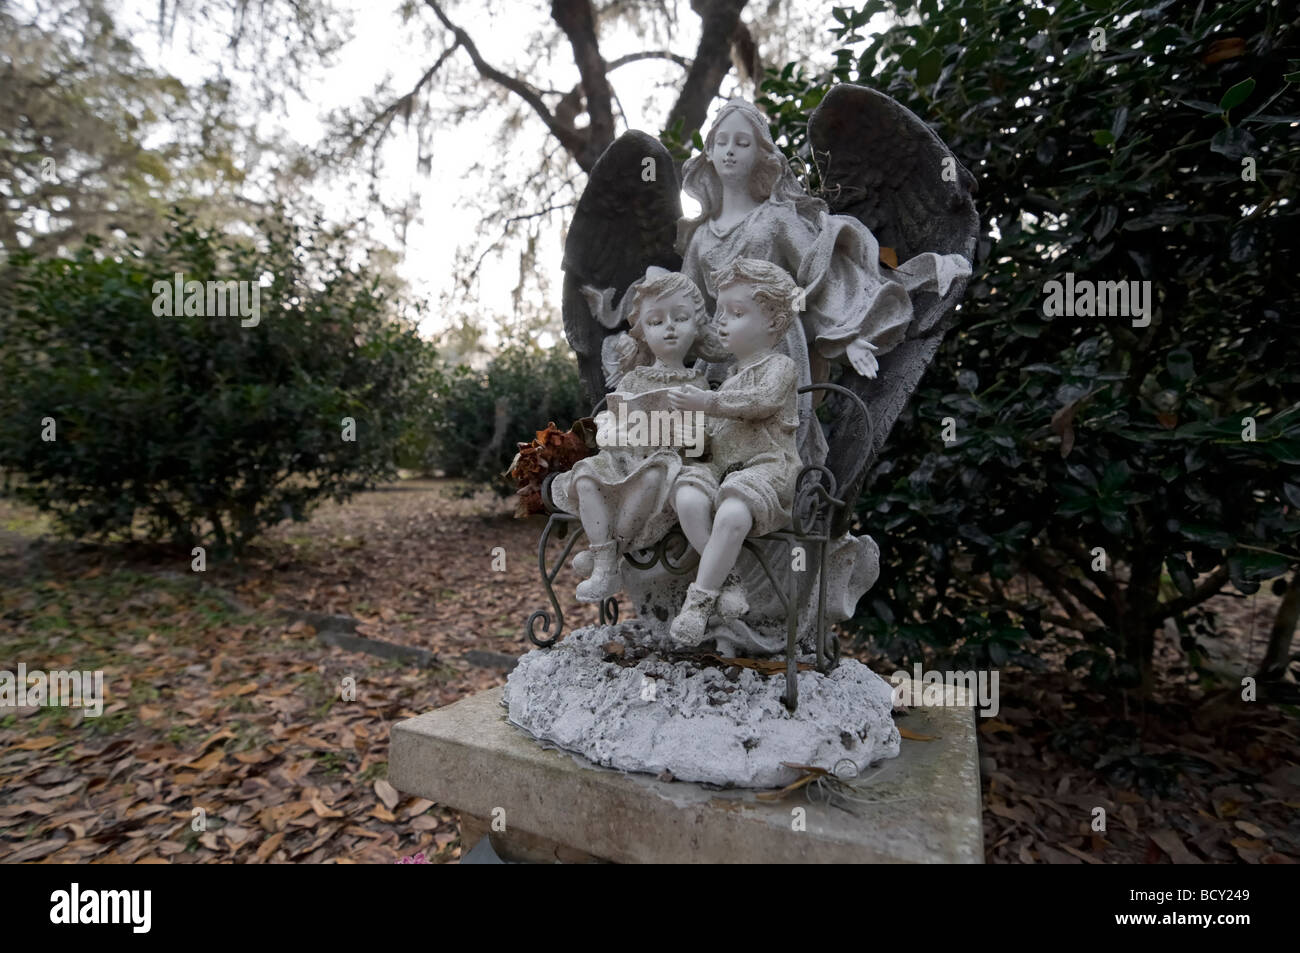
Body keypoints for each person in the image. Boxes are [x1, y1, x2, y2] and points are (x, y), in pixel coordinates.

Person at [550, 267, 716, 602]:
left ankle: (605, 558)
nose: (669, 328)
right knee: (584, 477)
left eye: (680, 318)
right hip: (623, 460)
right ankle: (605, 558)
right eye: (656, 322)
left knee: (656, 474)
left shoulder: (696, 386)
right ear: (642, 332)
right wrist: (612, 431)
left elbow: (704, 438)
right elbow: (608, 420)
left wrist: (686, 433)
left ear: (697, 324)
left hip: (663, 467)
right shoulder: (632, 380)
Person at [666, 258, 803, 646]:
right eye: (720, 311)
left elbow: (761, 402)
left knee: (732, 510)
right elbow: (712, 436)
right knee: (688, 496)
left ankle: (698, 603)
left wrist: (706, 402)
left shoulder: (781, 367)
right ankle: (727, 579)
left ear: (775, 322)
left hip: (767, 467)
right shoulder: (728, 379)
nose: (721, 321)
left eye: (737, 312)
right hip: (723, 469)